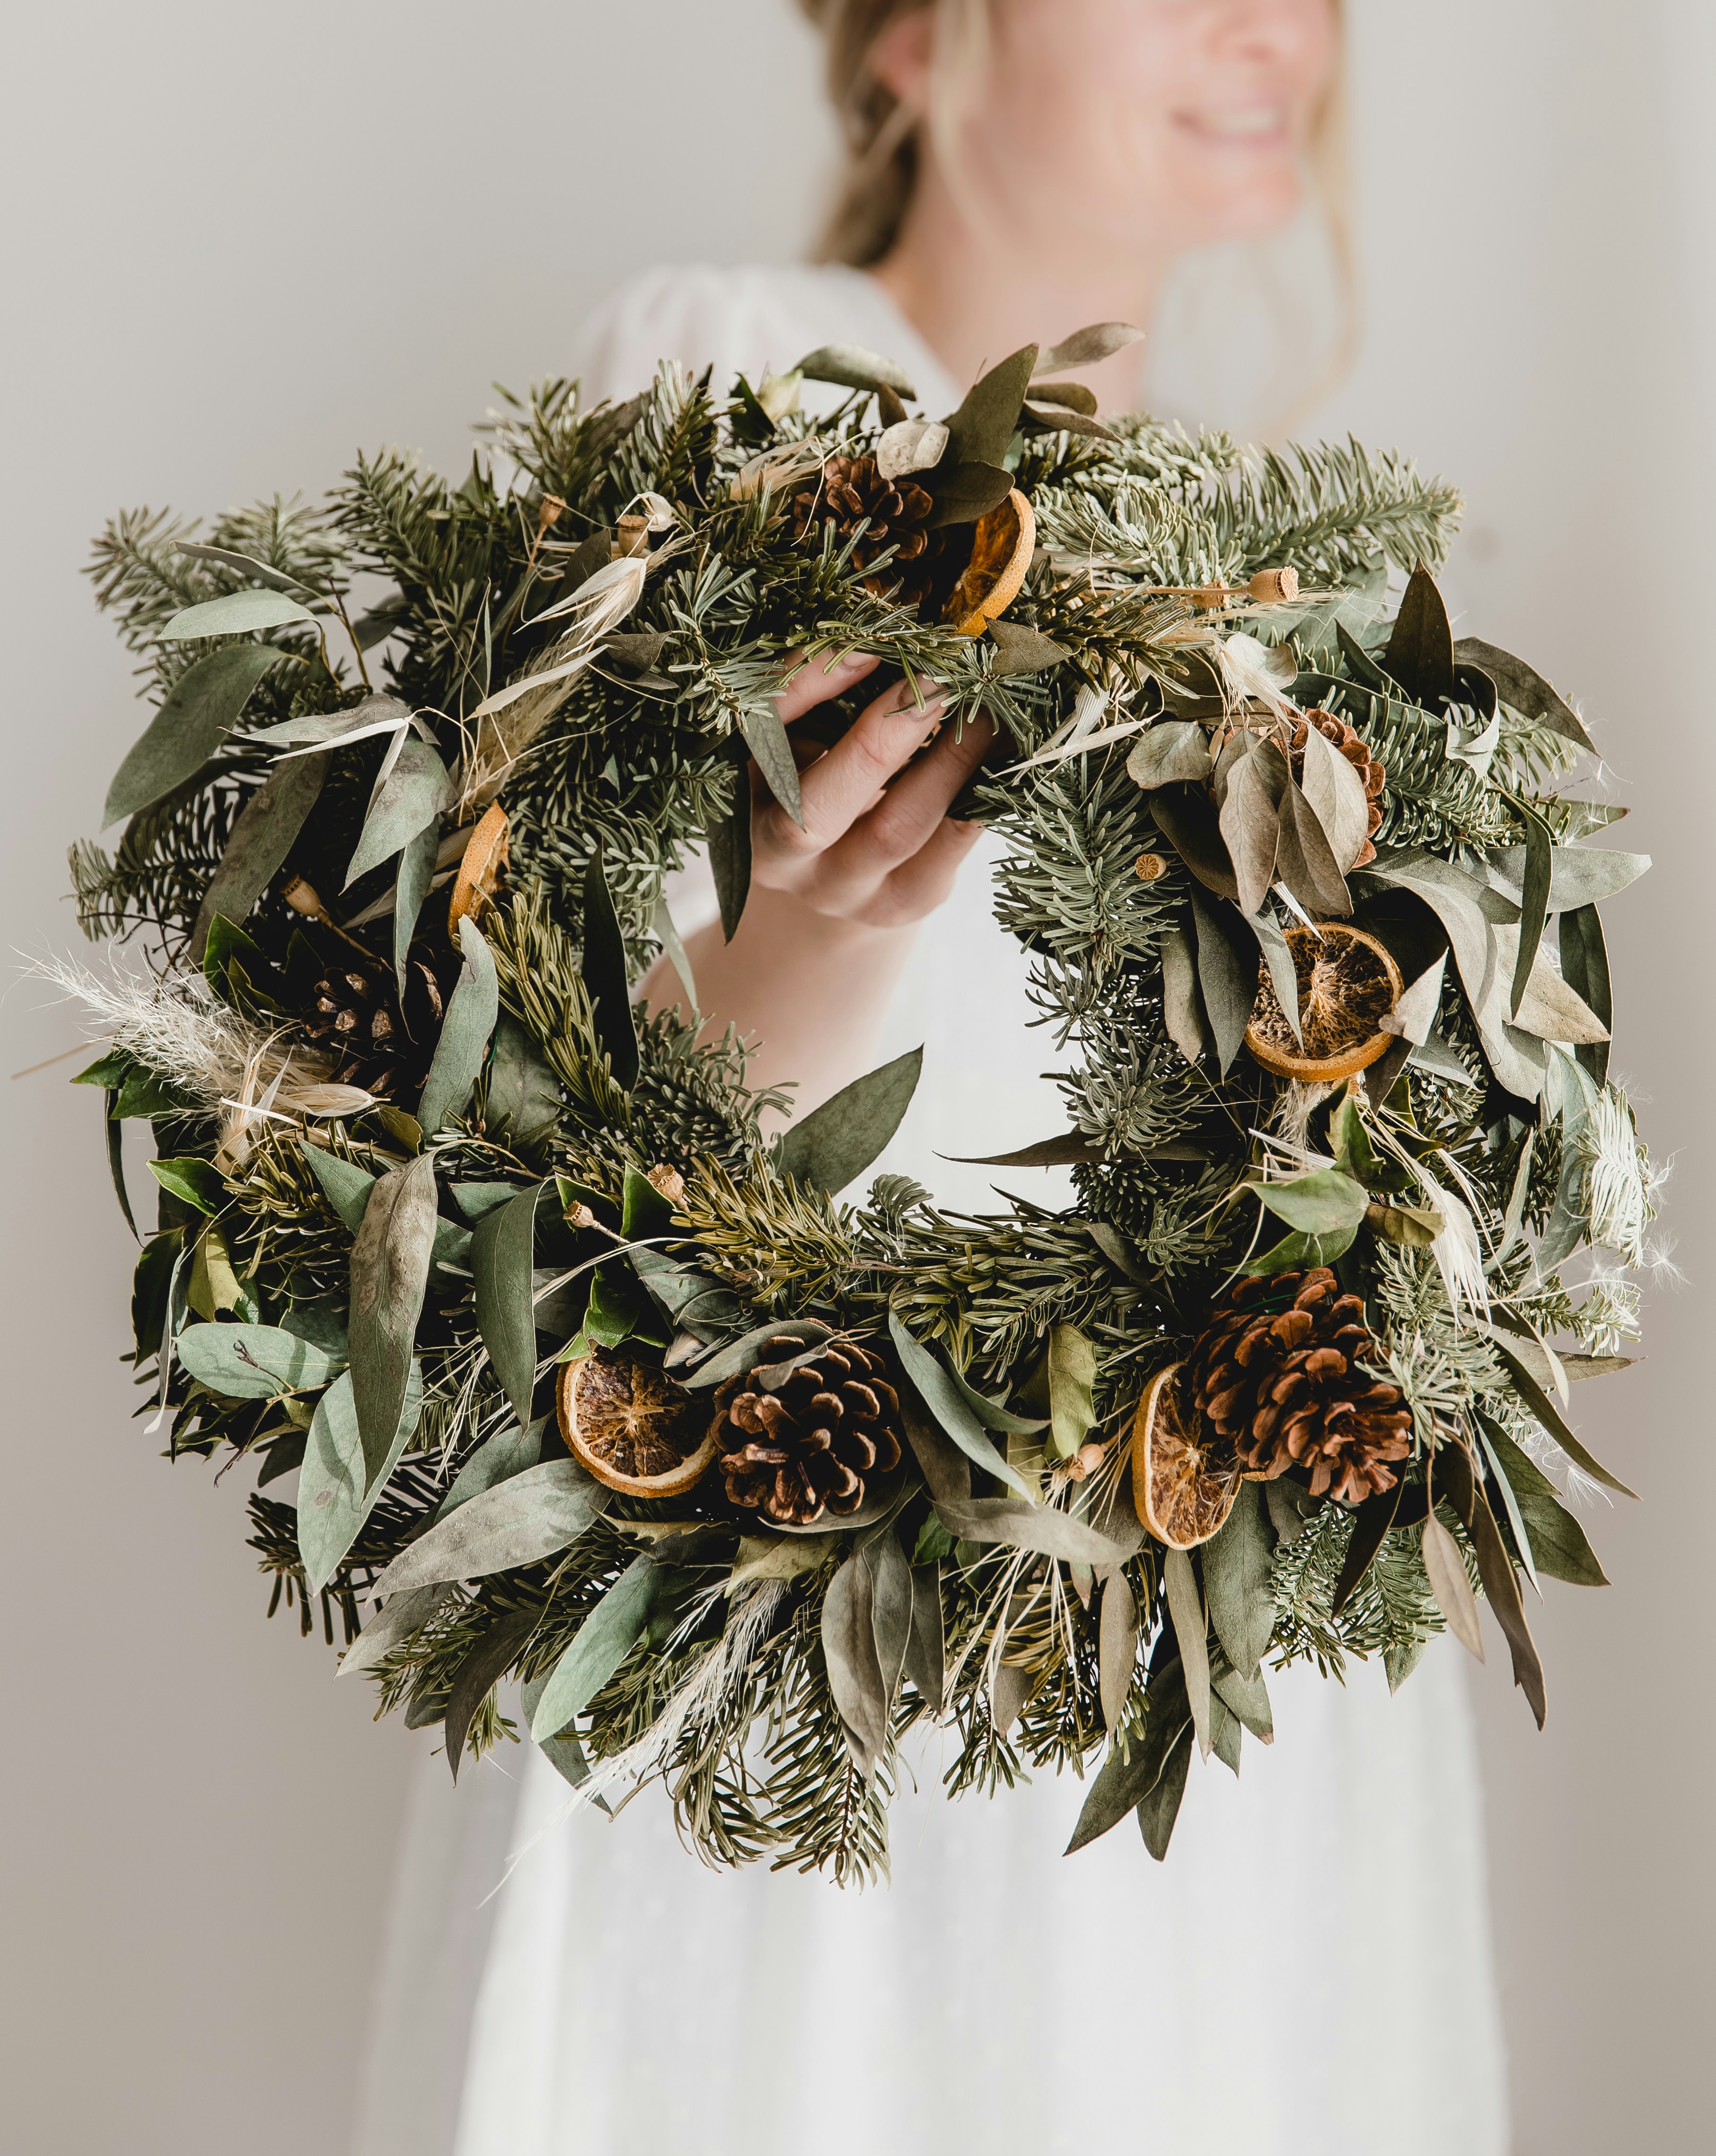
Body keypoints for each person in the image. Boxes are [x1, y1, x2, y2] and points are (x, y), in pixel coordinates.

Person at [354, 7, 1509, 2152]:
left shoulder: (1305, 580)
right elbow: (536, 1193)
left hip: (1212, 1780)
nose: (1282, 27)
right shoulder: (739, 387)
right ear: (913, 39)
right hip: (819, 1742)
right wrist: (815, 935)